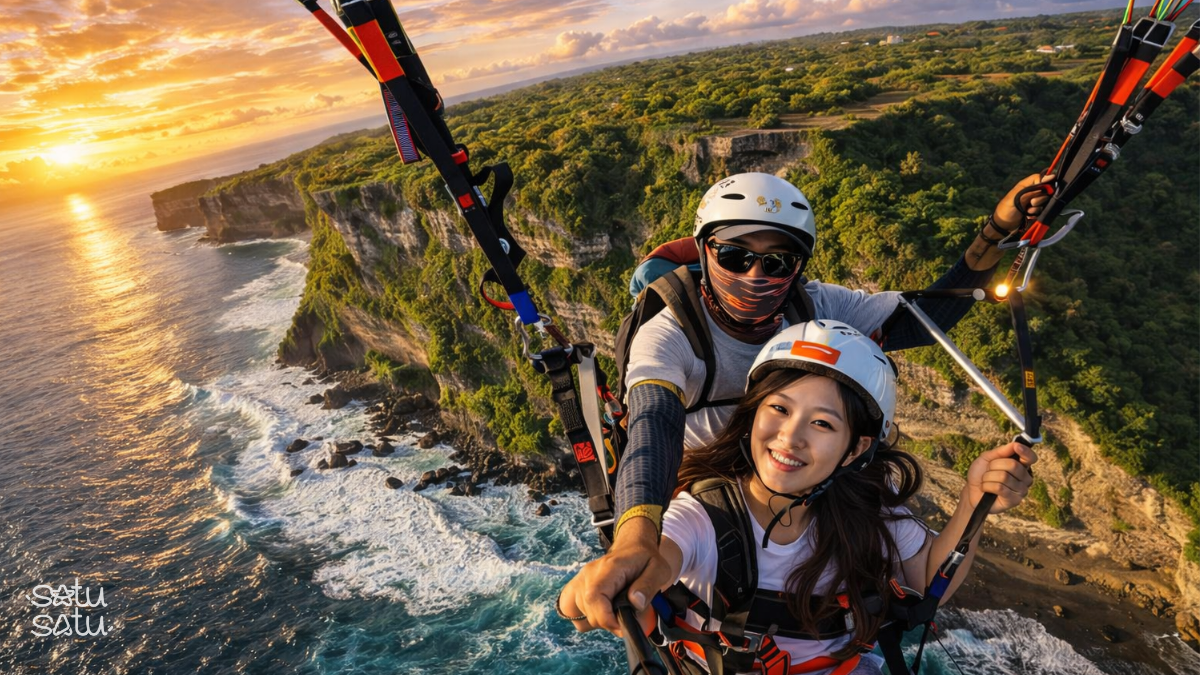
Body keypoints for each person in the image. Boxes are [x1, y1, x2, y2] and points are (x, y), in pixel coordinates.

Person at [608, 171, 1050, 612]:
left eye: (777, 262)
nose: (756, 274)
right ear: (705, 251)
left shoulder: (814, 305)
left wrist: (996, 230)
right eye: (734, 256)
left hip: (809, 464)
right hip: (713, 474)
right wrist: (637, 539)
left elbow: (926, 317)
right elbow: (653, 426)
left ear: (798, 267)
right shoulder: (669, 333)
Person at [560, 321, 1036, 674]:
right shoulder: (707, 515)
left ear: (857, 448)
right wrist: (614, 579)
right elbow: (655, 560)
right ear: (751, 416)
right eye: (779, 409)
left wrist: (975, 501)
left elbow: (925, 577)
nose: (790, 437)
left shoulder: (867, 506)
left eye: (823, 423)